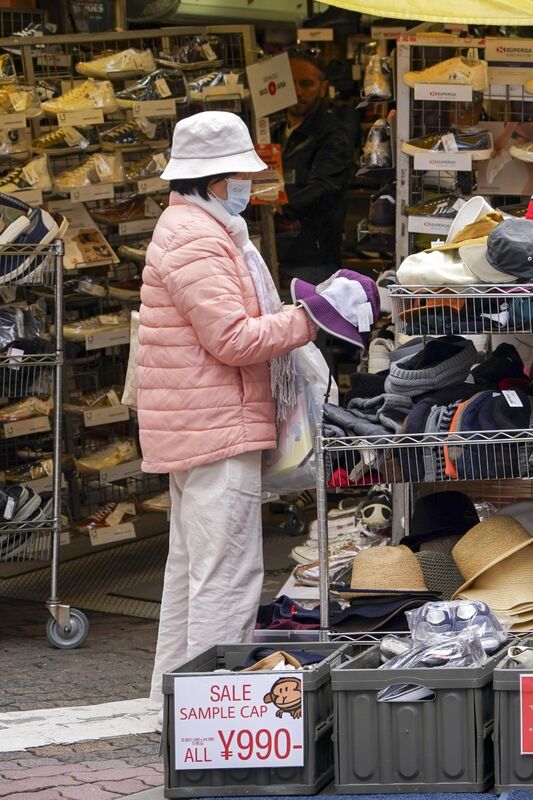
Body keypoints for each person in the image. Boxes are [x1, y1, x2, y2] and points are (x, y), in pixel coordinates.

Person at [139, 111, 318, 706]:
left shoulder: (197, 229)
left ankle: (174, 706)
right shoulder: (198, 237)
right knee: (227, 576)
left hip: (199, 422)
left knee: (193, 573)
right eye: (241, 175)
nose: (249, 185)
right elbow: (234, 339)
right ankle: (211, 711)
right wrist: (309, 320)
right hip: (215, 422)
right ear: (215, 181)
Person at [273, 51, 354, 286]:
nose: (297, 92)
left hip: (314, 259)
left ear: (322, 87)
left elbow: (324, 188)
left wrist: (280, 206)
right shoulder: (275, 133)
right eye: (289, 84)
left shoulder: (333, 136)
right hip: (277, 250)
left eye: (306, 84)